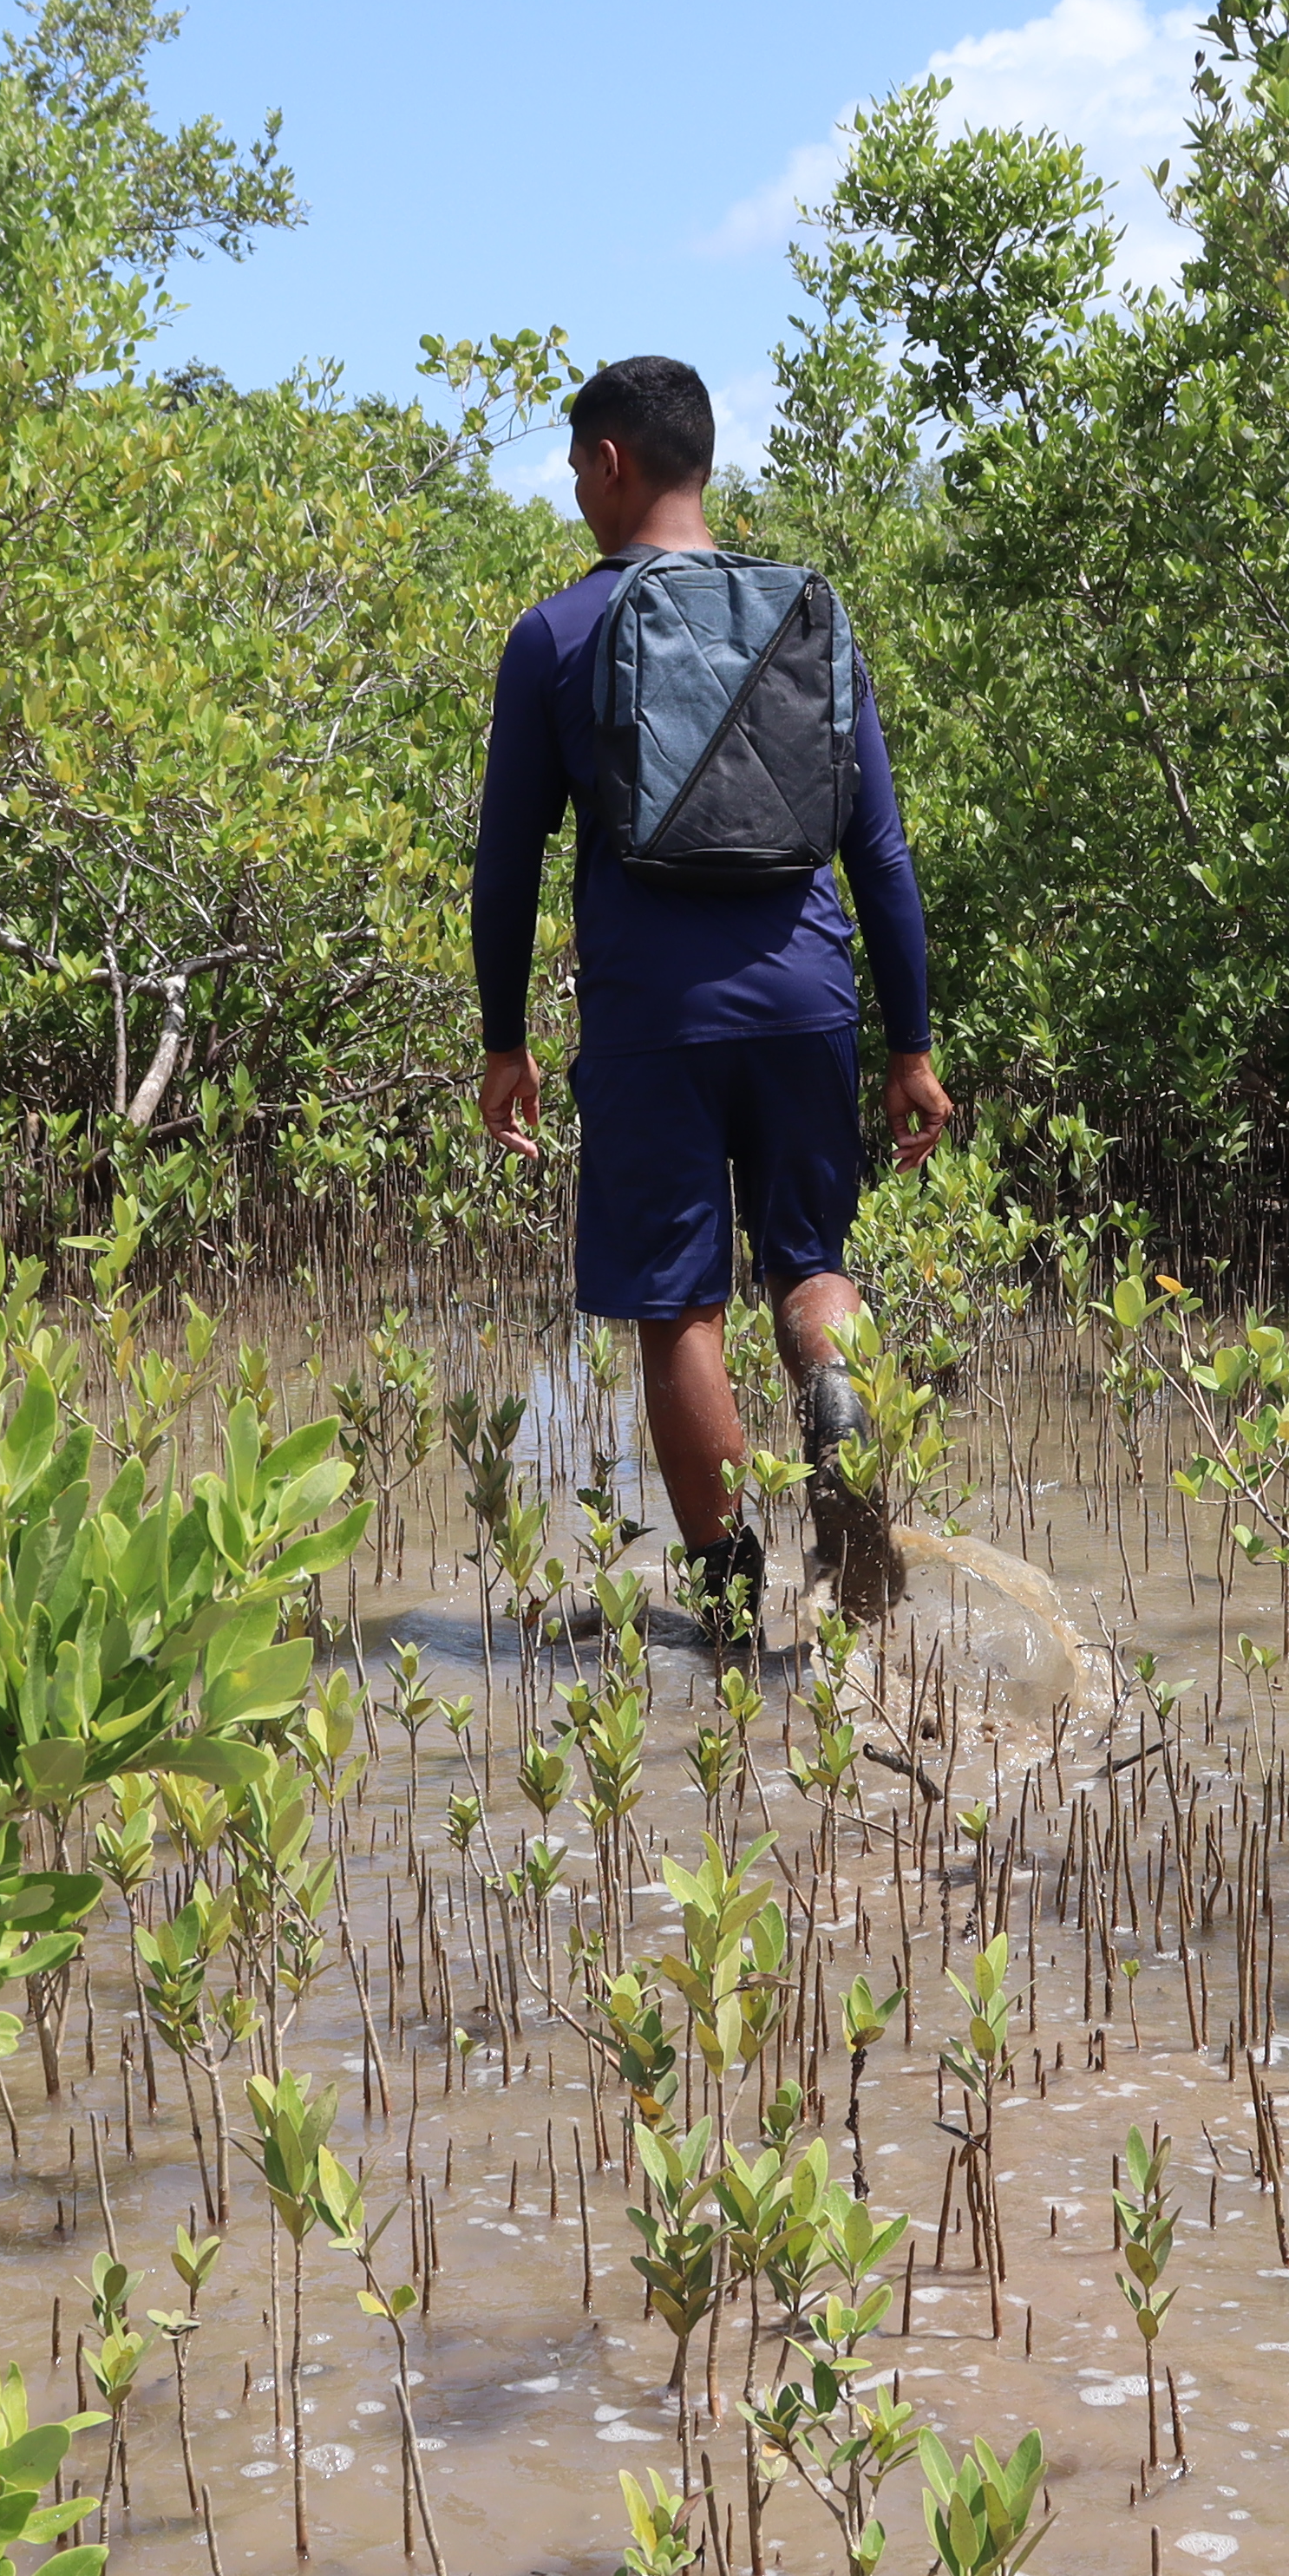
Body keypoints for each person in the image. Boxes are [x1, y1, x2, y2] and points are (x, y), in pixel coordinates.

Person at [472, 354, 951, 1631]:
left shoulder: (555, 634)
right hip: (808, 999)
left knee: (678, 1308)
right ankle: (835, 1396)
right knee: (813, 1264)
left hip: (653, 1023)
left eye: (576, 469)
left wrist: (506, 1039)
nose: (577, 492)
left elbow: (507, 865)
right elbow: (881, 855)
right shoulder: (808, 615)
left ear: (611, 462)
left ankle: (734, 1618)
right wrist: (909, 1046)